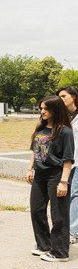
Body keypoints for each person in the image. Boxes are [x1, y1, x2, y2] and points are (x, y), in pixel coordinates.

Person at [27, 96, 74, 262]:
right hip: (39, 175)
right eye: (41, 108)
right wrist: (30, 168)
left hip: (56, 175)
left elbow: (68, 159)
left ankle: (60, 252)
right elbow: (35, 150)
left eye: (46, 109)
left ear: (56, 110)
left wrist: (63, 182)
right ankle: (44, 245)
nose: (42, 111)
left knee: (58, 214)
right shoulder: (41, 128)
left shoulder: (65, 132)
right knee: (36, 210)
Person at [57, 86, 78, 244]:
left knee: (74, 195)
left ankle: (73, 231)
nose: (61, 99)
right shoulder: (63, 117)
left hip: (77, 161)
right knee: (66, 195)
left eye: (64, 96)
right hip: (65, 161)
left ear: (74, 97)